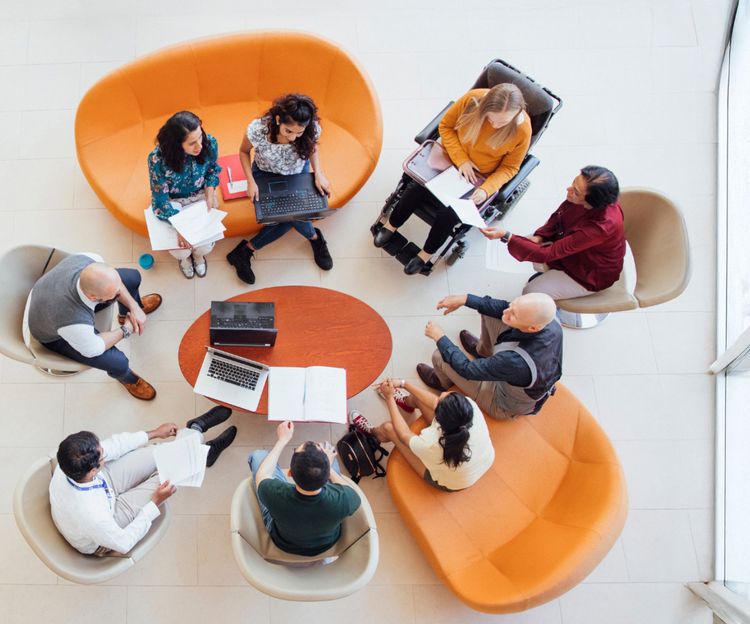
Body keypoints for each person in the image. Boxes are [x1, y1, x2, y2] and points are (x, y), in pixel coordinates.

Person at [373, 83, 532, 275]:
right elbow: (446, 127)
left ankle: (425, 254)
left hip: (477, 177)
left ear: (517, 114)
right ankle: (391, 225)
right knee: (416, 188)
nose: (495, 125)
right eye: (491, 119)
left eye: (503, 122)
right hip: (449, 159)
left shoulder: (522, 129)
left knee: (450, 214)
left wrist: (485, 189)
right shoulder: (473, 100)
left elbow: (510, 167)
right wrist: (462, 160)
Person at [49, 406, 237, 555]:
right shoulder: (94, 517)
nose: (105, 453)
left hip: (103, 484)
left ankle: (195, 432)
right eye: (102, 457)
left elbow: (116, 445)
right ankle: (203, 451)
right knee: (171, 477)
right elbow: (124, 542)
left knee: (159, 454)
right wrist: (155, 503)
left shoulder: (70, 460)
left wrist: (154, 433)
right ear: (92, 470)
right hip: (107, 524)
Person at [226, 94, 333, 284]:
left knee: (292, 215)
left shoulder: (312, 128)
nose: (293, 137)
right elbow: (243, 152)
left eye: (299, 133)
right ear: (278, 120)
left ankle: (245, 250)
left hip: (297, 173)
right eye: (288, 131)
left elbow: (312, 148)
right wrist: (250, 181)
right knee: (284, 216)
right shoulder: (258, 129)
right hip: (265, 174)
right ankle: (315, 237)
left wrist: (319, 174)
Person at [28, 253, 162, 400]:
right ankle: (127, 379)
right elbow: (93, 349)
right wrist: (127, 330)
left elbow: (117, 283)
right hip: (53, 334)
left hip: (52, 297)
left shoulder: (88, 260)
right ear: (93, 297)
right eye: (116, 294)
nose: (120, 292)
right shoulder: (72, 320)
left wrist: (134, 306)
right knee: (118, 362)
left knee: (131, 277)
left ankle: (125, 316)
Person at [482, 166, 625, 299]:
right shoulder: (586, 199)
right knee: (529, 244)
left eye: (575, 192)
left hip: (588, 273)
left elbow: (547, 253)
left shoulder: (600, 227)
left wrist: (506, 236)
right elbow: (560, 215)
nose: (568, 190)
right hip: (575, 250)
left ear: (592, 202)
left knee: (530, 291)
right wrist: (541, 235)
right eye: (573, 184)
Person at [416, 292, 562, 420]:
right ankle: (482, 353)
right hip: (512, 371)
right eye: (513, 304)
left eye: (514, 315)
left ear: (532, 328)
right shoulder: (551, 323)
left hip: (501, 401)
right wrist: (464, 299)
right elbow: (501, 307)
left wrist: (440, 337)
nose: (506, 312)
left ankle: (445, 384)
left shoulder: (515, 362)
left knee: (439, 356)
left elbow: (467, 369)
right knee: (488, 311)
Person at [350, 379, 495, 492]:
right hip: (481, 460)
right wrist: (403, 383)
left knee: (389, 429)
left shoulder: (431, 444)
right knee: (419, 398)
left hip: (453, 482)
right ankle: (406, 403)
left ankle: (373, 433)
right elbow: (435, 403)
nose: (442, 394)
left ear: (440, 422)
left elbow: (404, 435)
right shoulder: (468, 407)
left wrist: (389, 398)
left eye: (440, 399)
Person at [247, 421, 361, 556]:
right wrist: (329, 467)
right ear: (327, 479)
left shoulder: (275, 494)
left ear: (289, 473)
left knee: (258, 456)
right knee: (330, 451)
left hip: (284, 543)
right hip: (325, 544)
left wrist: (282, 441)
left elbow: (263, 475)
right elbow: (350, 491)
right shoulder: (345, 499)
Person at [148, 111, 222, 279]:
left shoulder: (209, 142)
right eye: (192, 143)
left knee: (204, 246)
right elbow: (160, 198)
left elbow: (212, 171)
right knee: (180, 250)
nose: (200, 146)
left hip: (201, 195)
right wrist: (180, 226)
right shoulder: (157, 159)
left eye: (200, 137)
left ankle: (198, 256)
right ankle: (185, 259)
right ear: (176, 144)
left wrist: (210, 196)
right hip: (173, 201)